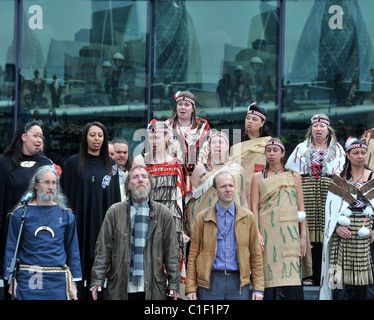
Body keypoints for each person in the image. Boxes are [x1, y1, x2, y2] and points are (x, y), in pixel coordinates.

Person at [90, 165, 180, 300]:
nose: (140, 180)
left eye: (144, 177)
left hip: (153, 286)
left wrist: (174, 283)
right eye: (135, 177)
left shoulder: (163, 213)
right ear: (128, 185)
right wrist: (98, 279)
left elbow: (172, 252)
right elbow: (103, 249)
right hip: (121, 286)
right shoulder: (115, 212)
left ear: (150, 183)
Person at [60, 121, 121, 299]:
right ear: (85, 137)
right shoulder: (72, 163)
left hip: (102, 227)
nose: (96, 139)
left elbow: (116, 199)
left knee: (99, 278)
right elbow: (63, 197)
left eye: (100, 135)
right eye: (92, 135)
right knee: (77, 274)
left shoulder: (111, 165)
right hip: (78, 228)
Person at [4, 165, 82, 300]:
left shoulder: (66, 215)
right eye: (46, 182)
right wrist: (12, 280)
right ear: (35, 185)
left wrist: (73, 281)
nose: (51, 187)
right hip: (30, 278)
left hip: (57, 280)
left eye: (54, 183)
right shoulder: (21, 215)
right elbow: (11, 248)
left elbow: (72, 250)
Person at [285, 114, 345, 286]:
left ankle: (333, 278)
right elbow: (290, 174)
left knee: (332, 235)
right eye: (315, 126)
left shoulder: (339, 150)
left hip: (330, 197)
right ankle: (308, 275)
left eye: (322, 126)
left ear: (328, 130)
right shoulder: (300, 149)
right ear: (311, 130)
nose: (318, 129)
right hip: (307, 196)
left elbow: (343, 177)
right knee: (306, 235)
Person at [185, 171, 264, 300]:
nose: (228, 189)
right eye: (223, 186)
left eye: (231, 186)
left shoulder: (248, 217)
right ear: (215, 191)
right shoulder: (202, 218)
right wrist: (190, 287)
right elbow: (193, 254)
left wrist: (258, 288)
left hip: (239, 283)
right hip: (210, 282)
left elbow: (255, 254)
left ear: (235, 188)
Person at [133, 120, 189, 297]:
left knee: (172, 268)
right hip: (146, 221)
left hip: (172, 224)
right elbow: (132, 195)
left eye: (157, 137)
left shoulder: (177, 164)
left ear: (167, 138)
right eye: (150, 137)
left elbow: (181, 201)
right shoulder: (140, 160)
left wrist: (184, 230)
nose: (154, 141)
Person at [250, 138, 310, 300]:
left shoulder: (294, 176)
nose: (271, 154)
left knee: (290, 271)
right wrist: (257, 233)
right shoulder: (257, 177)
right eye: (268, 150)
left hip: (290, 233)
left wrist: (303, 235)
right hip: (268, 231)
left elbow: (300, 207)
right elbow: (254, 207)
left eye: (275, 150)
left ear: (283, 154)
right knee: (269, 269)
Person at [0, 121, 53, 299]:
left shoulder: (46, 165)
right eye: (35, 136)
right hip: (11, 233)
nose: (39, 140)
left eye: (41, 137)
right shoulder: (5, 164)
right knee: (12, 286)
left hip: (39, 233)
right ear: (23, 137)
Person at [320, 137, 374, 300]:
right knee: (338, 287)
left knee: (367, 288)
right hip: (341, 237)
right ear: (348, 155)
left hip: (366, 237)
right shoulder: (338, 179)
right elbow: (329, 211)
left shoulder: (372, 177)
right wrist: (336, 227)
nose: (360, 156)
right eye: (356, 153)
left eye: (363, 153)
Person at [186, 130, 249, 237]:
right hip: (207, 225)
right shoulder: (201, 169)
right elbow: (189, 200)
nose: (217, 145)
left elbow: (243, 201)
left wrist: (248, 224)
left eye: (221, 142)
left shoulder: (237, 169)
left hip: (233, 225)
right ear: (209, 147)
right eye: (214, 142)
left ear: (227, 146)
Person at [229, 102, 272, 210]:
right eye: (248, 118)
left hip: (260, 184)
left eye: (254, 119)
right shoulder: (235, 138)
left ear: (262, 123)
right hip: (238, 184)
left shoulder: (268, 141)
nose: (249, 121)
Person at [165, 91, 210, 176]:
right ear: (176, 107)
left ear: (193, 108)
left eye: (186, 105)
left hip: (197, 174)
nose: (183, 107)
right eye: (180, 104)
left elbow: (206, 148)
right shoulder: (167, 125)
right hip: (173, 173)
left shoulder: (202, 124)